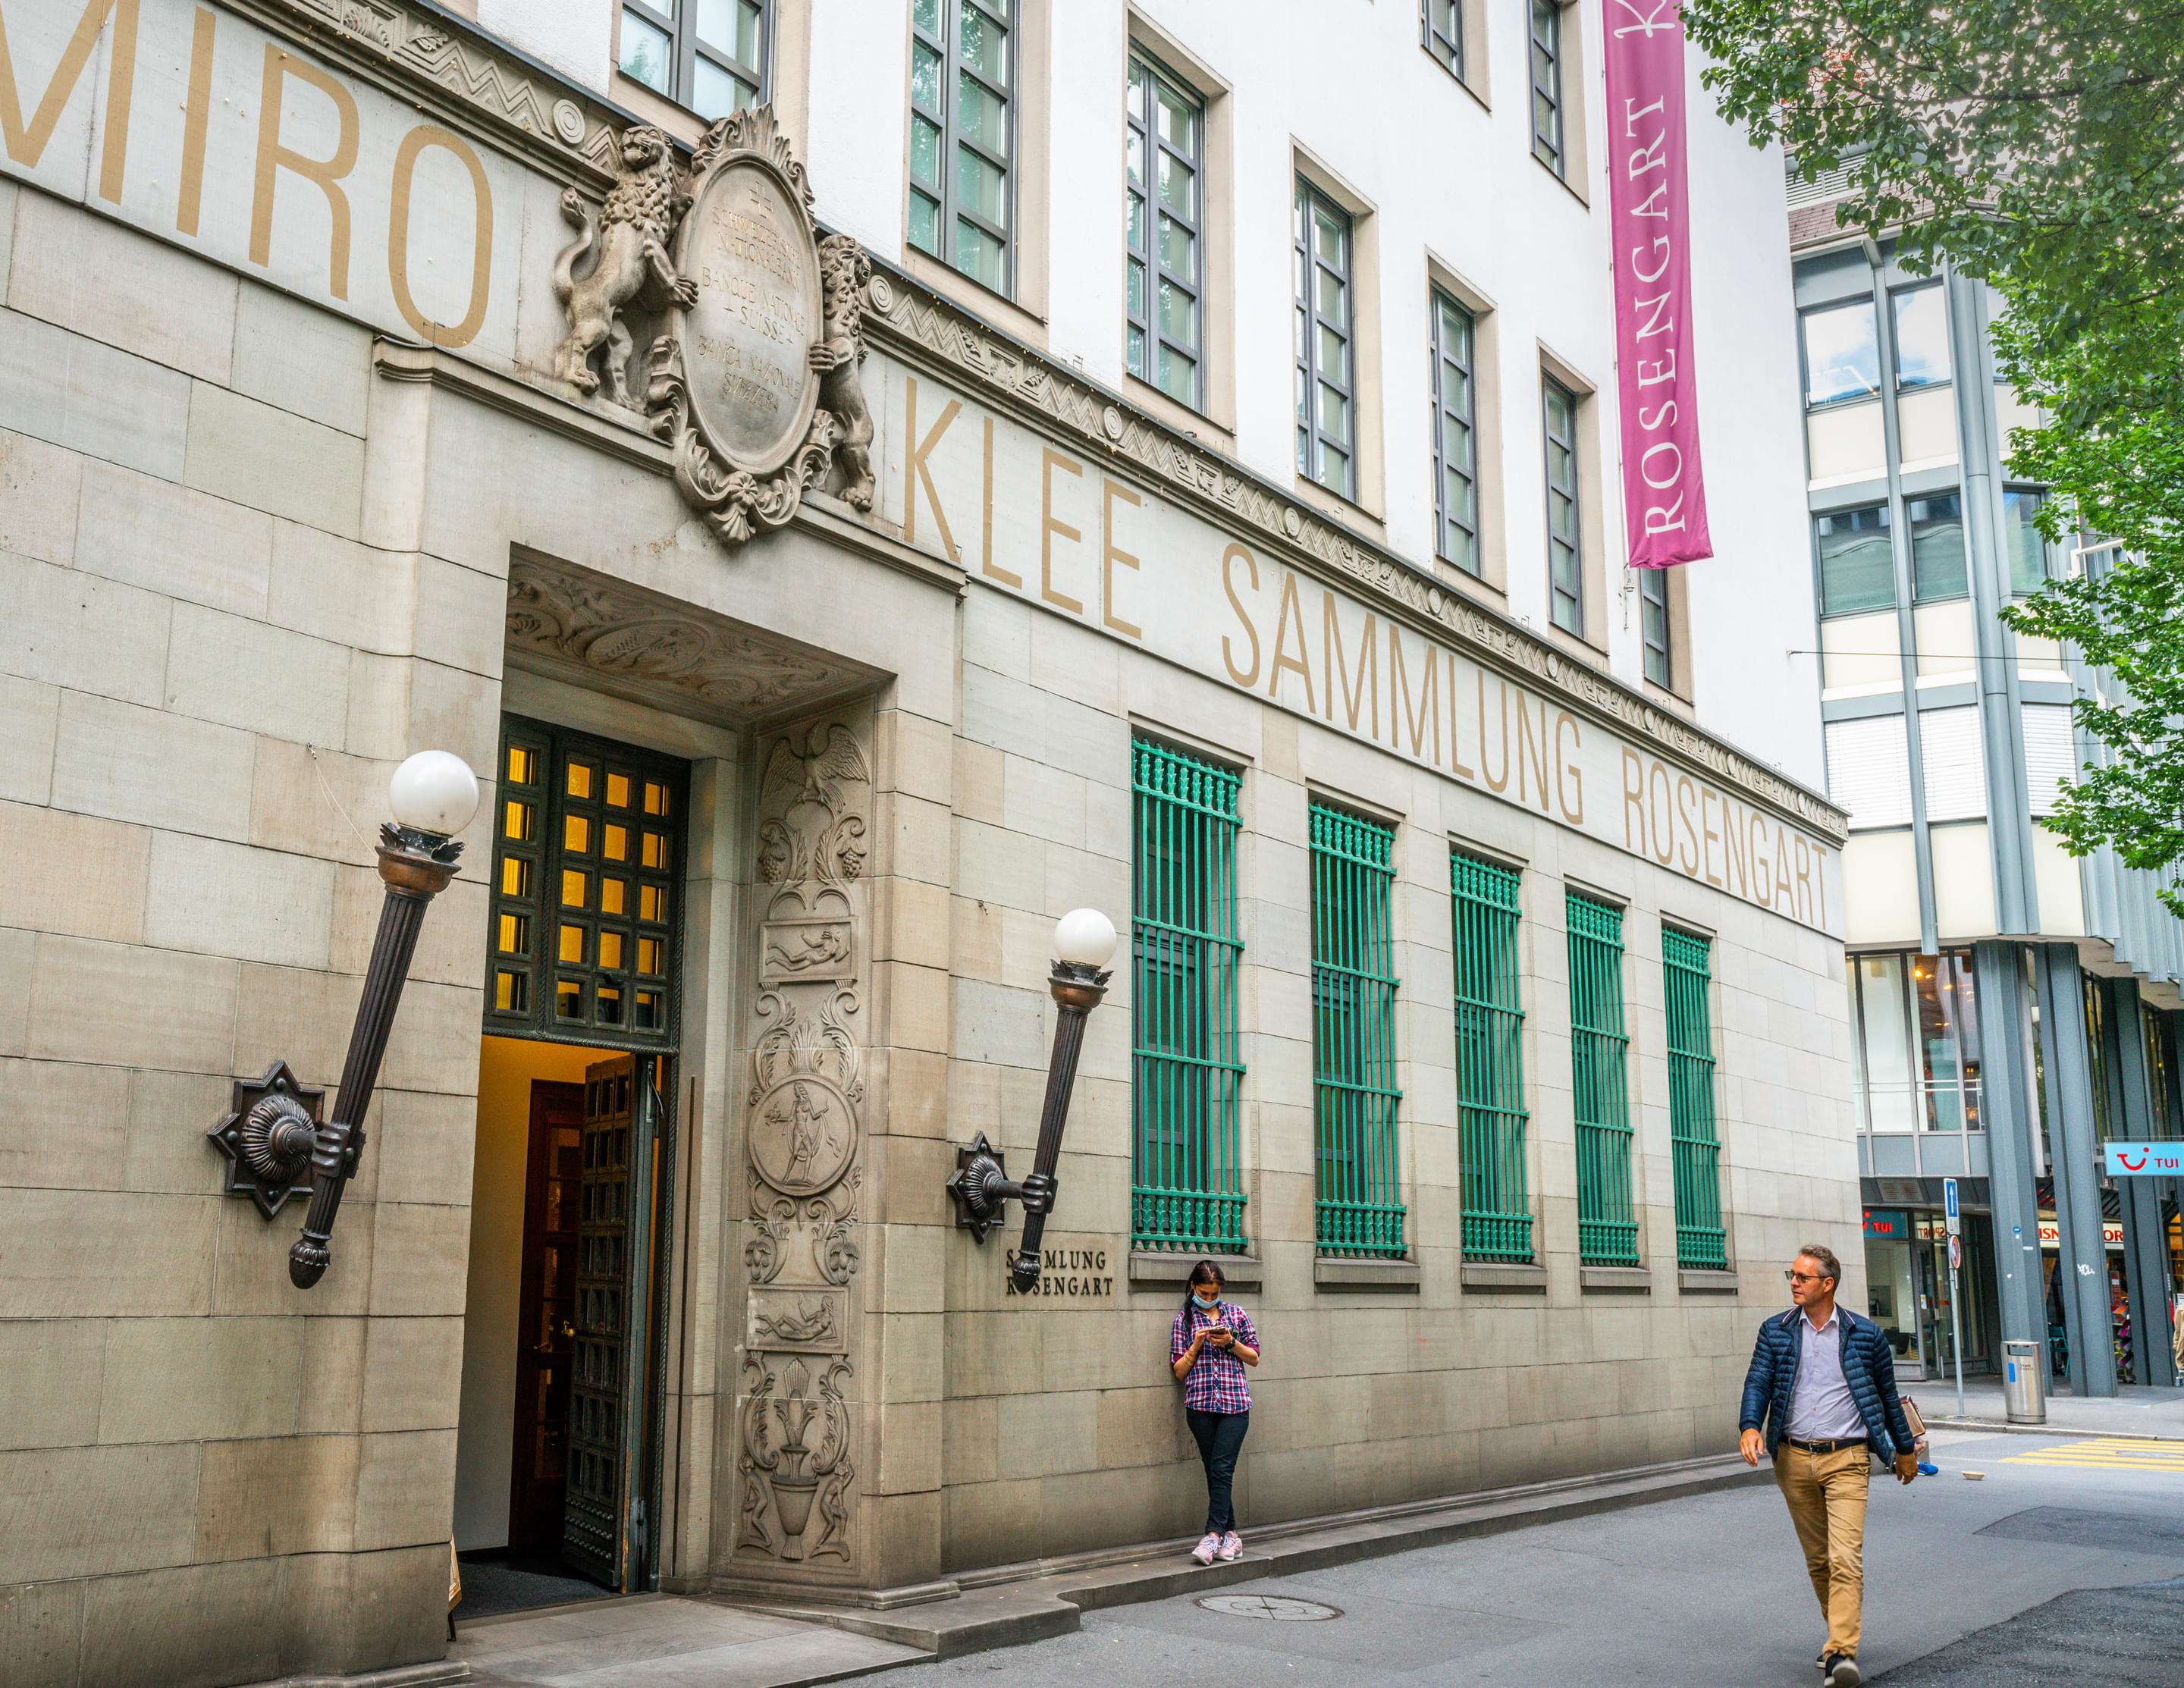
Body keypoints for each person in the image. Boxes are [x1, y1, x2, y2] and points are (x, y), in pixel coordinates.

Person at [1740, 1244, 1917, 1688]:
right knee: (1819, 1559)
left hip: (1849, 1458)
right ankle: (1837, 1635)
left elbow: (1887, 1395)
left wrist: (1906, 1448)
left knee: (1844, 1557)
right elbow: (1758, 1380)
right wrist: (1749, 1427)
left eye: (1802, 1276)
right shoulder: (1775, 1330)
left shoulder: (1865, 1334)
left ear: (1827, 1283)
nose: (1794, 1283)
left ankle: (1841, 1652)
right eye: (1792, 1275)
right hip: (1793, 1457)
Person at [1169, 1259, 1260, 1565]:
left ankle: (1212, 1536)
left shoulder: (1237, 1314)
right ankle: (1232, 1536)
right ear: (1193, 1287)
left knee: (1221, 1469)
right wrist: (1196, 1344)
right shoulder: (1183, 1321)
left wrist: (1231, 1342)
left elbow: (1255, 1357)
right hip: (1200, 1407)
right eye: (1204, 1293)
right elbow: (1179, 1371)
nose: (1209, 1298)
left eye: (1214, 1293)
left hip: (1235, 1405)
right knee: (1215, 1471)